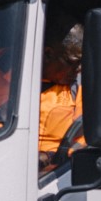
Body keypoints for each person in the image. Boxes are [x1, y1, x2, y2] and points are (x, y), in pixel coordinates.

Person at [38, 11, 85, 174]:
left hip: (50, 178)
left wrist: (49, 157)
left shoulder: (80, 90)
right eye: (73, 62)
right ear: (48, 54)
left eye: (82, 62)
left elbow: (85, 145)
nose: (79, 70)